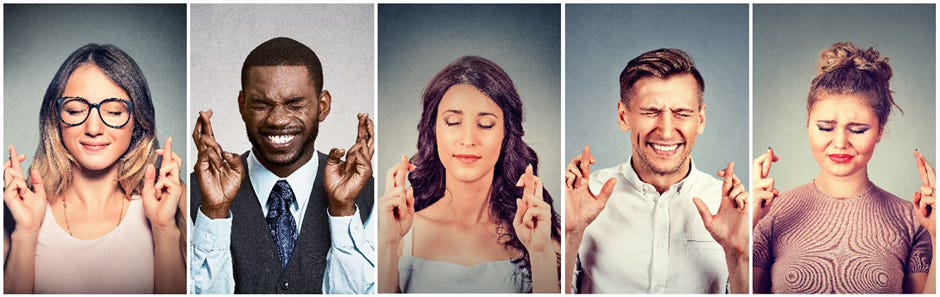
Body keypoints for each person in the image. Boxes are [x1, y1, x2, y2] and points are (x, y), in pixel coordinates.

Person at [189, 37, 375, 294]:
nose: (278, 120)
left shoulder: (371, 196)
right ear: (243, 106)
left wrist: (343, 210)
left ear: (323, 106)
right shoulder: (193, 194)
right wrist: (215, 212)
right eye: (262, 105)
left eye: (295, 104)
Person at [752, 42, 936, 294]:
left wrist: (938, 235)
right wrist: (747, 224)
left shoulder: (913, 222)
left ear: (880, 131)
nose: (840, 143)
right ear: (808, 124)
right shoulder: (769, 216)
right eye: (825, 128)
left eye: (858, 130)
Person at [3, 44, 186, 293]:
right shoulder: (17, 210)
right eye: (76, 110)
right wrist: (25, 232)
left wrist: (164, 230)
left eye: (113, 112)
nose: (93, 128)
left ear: (138, 120)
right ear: (55, 118)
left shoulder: (173, 201)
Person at [565, 48, 749, 294]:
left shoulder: (730, 209)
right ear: (623, 116)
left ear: (701, 119)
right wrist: (570, 234)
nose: (666, 130)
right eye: (650, 112)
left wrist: (740, 256)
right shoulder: (583, 199)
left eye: (682, 113)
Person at [377, 56, 561, 293]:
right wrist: (388, 245)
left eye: (485, 124)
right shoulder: (398, 234)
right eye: (453, 122)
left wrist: (540, 253)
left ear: (506, 134)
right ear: (433, 130)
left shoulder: (538, 235)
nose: (468, 140)